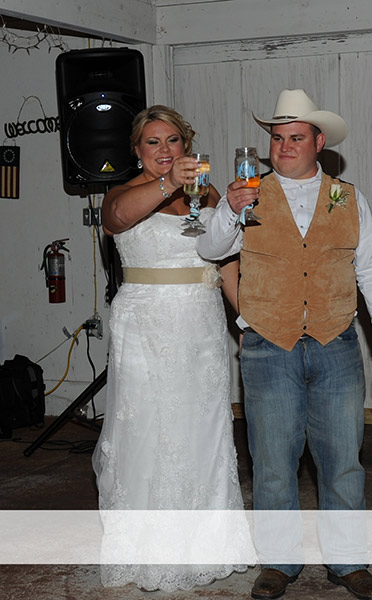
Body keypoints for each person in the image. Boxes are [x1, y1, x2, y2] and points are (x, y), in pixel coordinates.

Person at [196, 88, 372, 600]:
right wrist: (229, 211)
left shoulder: (347, 196)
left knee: (343, 460)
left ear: (319, 142)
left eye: (296, 137)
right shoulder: (247, 193)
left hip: (336, 342)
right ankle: (278, 562)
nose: (284, 146)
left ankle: (348, 562)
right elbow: (211, 250)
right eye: (277, 138)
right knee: (271, 462)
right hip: (269, 345)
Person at [93, 105, 250, 591]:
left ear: (187, 145)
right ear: (137, 149)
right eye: (153, 142)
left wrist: (245, 319)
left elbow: (226, 260)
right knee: (148, 431)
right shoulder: (120, 194)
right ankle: (150, 549)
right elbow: (118, 219)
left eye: (173, 141)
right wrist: (169, 183)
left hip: (202, 324)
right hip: (146, 325)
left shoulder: (206, 195)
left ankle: (207, 544)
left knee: (205, 430)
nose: (164, 150)